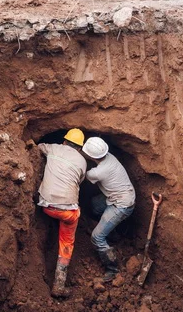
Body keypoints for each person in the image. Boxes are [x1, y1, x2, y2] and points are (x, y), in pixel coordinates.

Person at [36, 128, 87, 298]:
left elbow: (38, 147)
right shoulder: (82, 161)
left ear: (64, 141)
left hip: (47, 207)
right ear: (80, 148)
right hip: (68, 212)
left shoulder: (53, 148)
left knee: (58, 215)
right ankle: (59, 284)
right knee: (66, 241)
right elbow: (79, 180)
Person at [82, 136, 136, 282]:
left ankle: (112, 269)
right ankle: (112, 231)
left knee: (97, 237)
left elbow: (84, 175)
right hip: (120, 195)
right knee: (94, 205)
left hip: (121, 205)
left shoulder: (98, 172)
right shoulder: (109, 156)